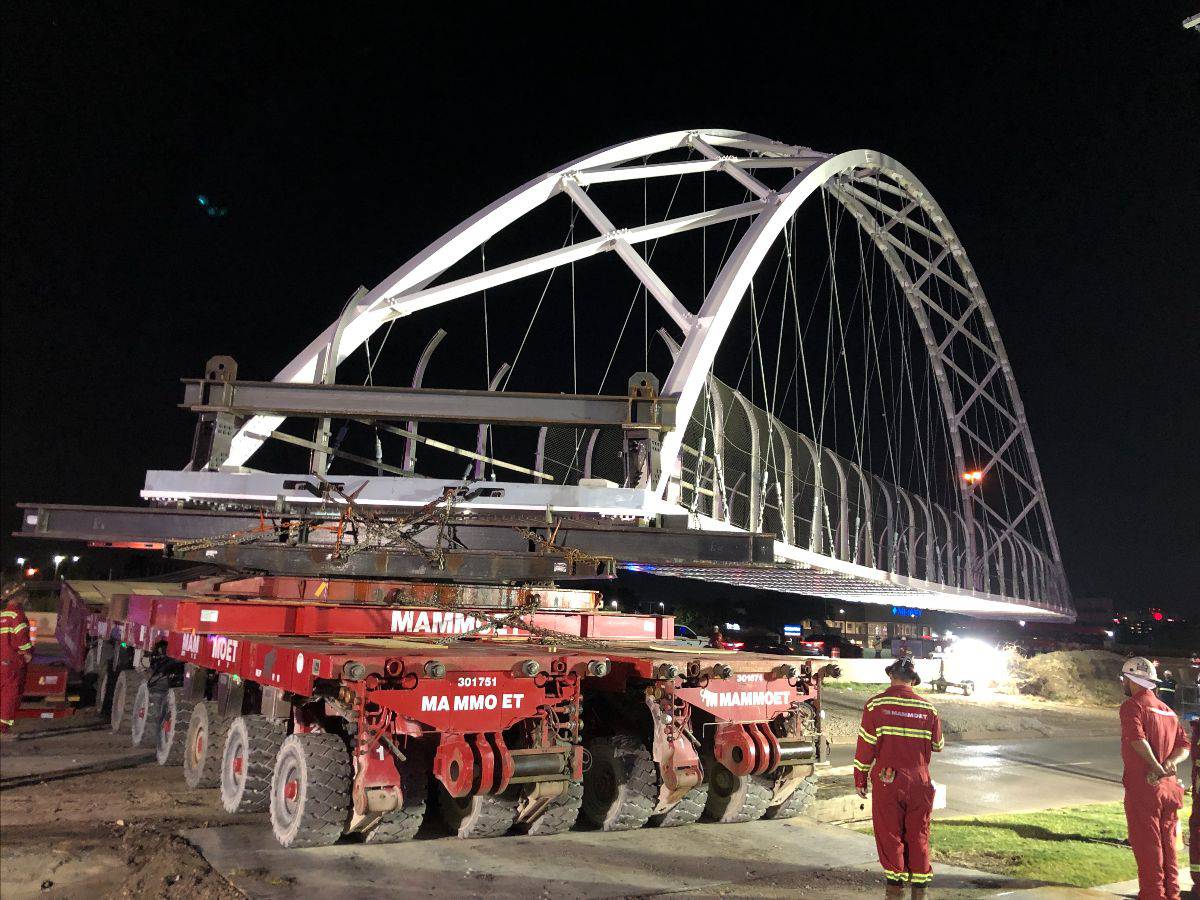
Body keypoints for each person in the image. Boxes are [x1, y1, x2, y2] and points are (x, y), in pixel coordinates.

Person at [854, 657, 943, 897]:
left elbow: (865, 748)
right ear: (913, 681)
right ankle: (920, 883)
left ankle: (895, 881)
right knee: (919, 831)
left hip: (887, 779)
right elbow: (938, 744)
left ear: (891, 677)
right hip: (919, 780)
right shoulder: (929, 709)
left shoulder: (875, 706)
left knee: (889, 830)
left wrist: (860, 778)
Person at [1119, 656, 1191, 900]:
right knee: (1169, 846)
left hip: (1145, 786)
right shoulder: (1168, 711)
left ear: (1131, 680)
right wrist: (1170, 763)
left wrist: (1156, 766)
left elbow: (1136, 738)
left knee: (1148, 847)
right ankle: (1172, 895)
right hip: (1170, 790)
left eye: (1123, 679)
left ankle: (1153, 895)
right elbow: (1185, 746)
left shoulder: (1133, 706)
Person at [1, 595, 34, 733]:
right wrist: (27, 651)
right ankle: (3, 727)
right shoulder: (17, 615)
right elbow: (21, 638)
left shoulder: (2, 614)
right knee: (10, 694)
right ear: (16, 598)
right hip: (13, 662)